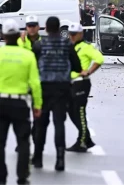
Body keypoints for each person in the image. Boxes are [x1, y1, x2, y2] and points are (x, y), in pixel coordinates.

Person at [32, 16, 82, 171]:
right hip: (62, 89)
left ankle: (38, 158)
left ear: (45, 28)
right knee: (59, 123)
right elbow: (76, 66)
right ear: (59, 28)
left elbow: (33, 68)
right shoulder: (67, 44)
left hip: (43, 89)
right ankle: (60, 159)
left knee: (41, 124)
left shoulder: (39, 45)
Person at [0, 19, 42, 185]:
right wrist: (37, 105)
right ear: (18, 35)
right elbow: (35, 83)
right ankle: (22, 177)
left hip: (0, 103)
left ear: (3, 36)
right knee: (23, 142)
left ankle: (1, 177)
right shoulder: (28, 55)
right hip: (20, 105)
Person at [66, 23, 104, 152]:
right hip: (70, 83)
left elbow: (99, 59)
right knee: (71, 112)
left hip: (81, 82)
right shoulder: (69, 46)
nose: (71, 37)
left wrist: (88, 71)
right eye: (70, 34)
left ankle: (82, 141)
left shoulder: (86, 47)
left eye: (74, 34)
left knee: (80, 112)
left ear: (80, 34)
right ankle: (86, 138)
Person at [14, 15, 41, 153]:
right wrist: (23, 42)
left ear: (38, 27)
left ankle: (36, 141)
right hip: (23, 83)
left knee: (37, 116)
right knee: (23, 117)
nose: (31, 28)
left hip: (37, 82)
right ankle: (22, 142)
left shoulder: (43, 42)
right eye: (29, 25)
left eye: (33, 25)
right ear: (26, 27)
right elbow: (20, 56)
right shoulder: (20, 41)